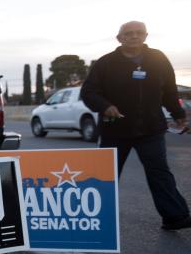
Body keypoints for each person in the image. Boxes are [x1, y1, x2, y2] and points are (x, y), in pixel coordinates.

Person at [81, 20, 190, 230]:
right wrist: (105, 106)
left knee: (159, 173)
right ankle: (93, 220)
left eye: (138, 32)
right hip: (115, 130)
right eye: (128, 33)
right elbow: (89, 92)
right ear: (119, 38)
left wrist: (178, 114)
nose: (134, 36)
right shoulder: (105, 63)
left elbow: (168, 91)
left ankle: (175, 217)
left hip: (151, 129)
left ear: (146, 36)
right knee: (105, 177)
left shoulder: (158, 59)